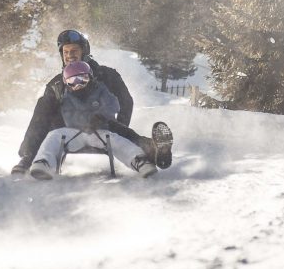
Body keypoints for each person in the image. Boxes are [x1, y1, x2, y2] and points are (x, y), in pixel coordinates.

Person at [12, 29, 134, 174]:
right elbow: (43, 117)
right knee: (44, 103)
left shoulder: (106, 75)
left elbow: (126, 101)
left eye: (74, 50)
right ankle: (30, 157)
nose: (70, 55)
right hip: (66, 130)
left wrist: (119, 129)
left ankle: (150, 152)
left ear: (84, 51)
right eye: (66, 52)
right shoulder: (57, 83)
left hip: (100, 127)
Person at [28, 61, 173, 180]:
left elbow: (113, 105)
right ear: (67, 83)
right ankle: (44, 163)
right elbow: (68, 115)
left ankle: (140, 161)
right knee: (53, 136)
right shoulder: (66, 97)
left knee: (116, 139)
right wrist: (83, 121)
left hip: (99, 131)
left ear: (90, 78)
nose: (78, 85)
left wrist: (101, 116)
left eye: (82, 79)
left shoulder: (100, 90)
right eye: (73, 81)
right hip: (73, 133)